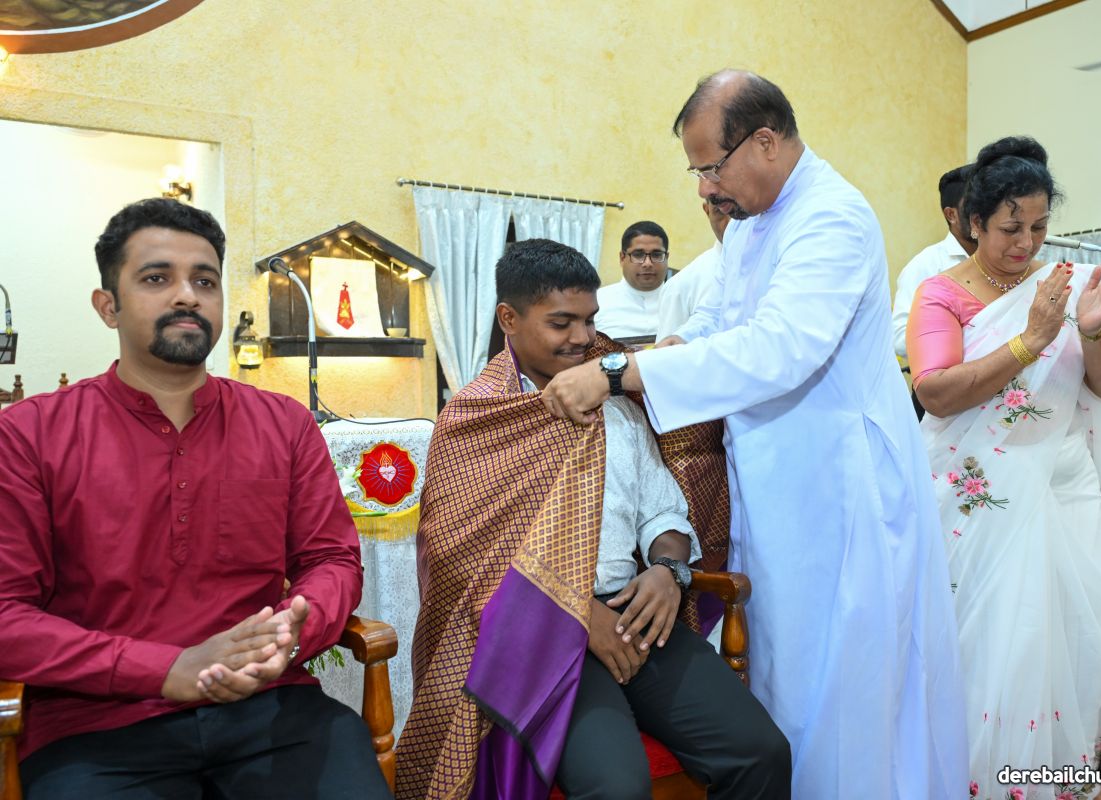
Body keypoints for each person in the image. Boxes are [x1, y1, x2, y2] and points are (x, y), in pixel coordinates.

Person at [540, 69, 968, 799]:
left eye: (712, 166)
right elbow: (720, 320)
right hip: (772, 479)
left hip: (838, 484)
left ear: (765, 142)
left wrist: (619, 374)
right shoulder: (751, 222)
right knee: (780, 666)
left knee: (840, 675)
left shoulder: (832, 216)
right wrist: (666, 349)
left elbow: (781, 346)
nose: (708, 188)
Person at [0, 198, 390, 798]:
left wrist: (287, 636)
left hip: (271, 709)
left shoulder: (283, 424)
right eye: (157, 278)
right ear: (108, 306)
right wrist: (164, 669)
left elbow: (331, 560)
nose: (187, 296)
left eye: (204, 281)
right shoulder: (30, 434)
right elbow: (7, 614)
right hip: (96, 726)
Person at [395, 239, 790, 799]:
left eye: (590, 319)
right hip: (540, 634)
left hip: (633, 612)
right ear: (509, 319)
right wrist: (579, 616)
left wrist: (667, 571)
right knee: (616, 787)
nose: (582, 338)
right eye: (562, 322)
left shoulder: (616, 404)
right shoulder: (476, 419)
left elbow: (663, 510)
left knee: (762, 752)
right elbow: (461, 567)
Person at [908, 136, 1101, 800]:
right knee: (1000, 647)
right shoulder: (940, 294)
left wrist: (1090, 329)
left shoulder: (1071, 286)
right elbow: (935, 392)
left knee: (1083, 641)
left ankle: (1068, 776)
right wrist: (1030, 340)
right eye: (1010, 228)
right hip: (980, 496)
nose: (1026, 243)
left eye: (1039, 226)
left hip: (1068, 489)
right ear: (974, 222)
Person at [892, 163, 975, 359]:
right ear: (951, 214)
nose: (983, 215)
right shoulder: (925, 265)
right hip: (947, 375)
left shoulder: (1004, 260)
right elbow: (900, 339)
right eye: (973, 207)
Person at [657, 201, 730, 339]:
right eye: (720, 211)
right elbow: (669, 349)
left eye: (738, 212)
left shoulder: (770, 266)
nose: (731, 223)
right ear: (707, 210)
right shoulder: (681, 286)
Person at [594, 220, 670, 338]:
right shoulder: (597, 302)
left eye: (656, 255)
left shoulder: (684, 302)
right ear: (622, 258)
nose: (647, 263)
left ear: (667, 258)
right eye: (638, 255)